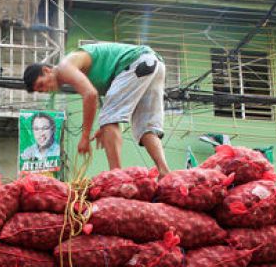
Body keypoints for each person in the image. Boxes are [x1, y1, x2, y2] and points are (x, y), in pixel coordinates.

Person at [23, 42, 170, 176]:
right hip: (153, 64)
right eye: (41, 91)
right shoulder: (76, 73)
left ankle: (117, 177)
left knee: (108, 120)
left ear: (47, 70)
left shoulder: (64, 68)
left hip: (135, 62)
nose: (46, 89)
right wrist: (104, 127)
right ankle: (164, 172)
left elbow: (90, 95)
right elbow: (104, 98)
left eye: (42, 84)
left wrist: (85, 137)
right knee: (145, 127)